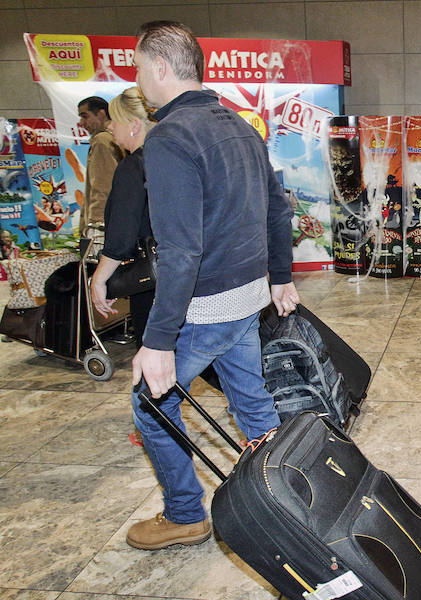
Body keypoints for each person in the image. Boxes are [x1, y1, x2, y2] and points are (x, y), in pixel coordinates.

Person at [126, 20, 300, 550]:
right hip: (247, 294)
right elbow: (278, 207)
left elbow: (180, 252)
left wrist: (157, 342)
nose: (137, 80)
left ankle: (184, 514)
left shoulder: (170, 139)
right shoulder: (239, 125)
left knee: (148, 404)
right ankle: (284, 493)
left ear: (160, 67)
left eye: (138, 68)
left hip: (206, 305)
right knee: (250, 399)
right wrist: (280, 276)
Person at [89, 87, 156, 348]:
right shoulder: (174, 158)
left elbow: (122, 236)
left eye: (114, 122)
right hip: (189, 276)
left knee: (153, 361)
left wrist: (99, 279)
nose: (111, 129)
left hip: (151, 277)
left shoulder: (133, 167)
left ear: (134, 125)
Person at [77, 96, 125, 239]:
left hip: (103, 225)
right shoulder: (112, 139)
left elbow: (102, 187)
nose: (82, 123)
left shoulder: (102, 140)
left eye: (85, 116)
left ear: (102, 114)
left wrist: (96, 225)